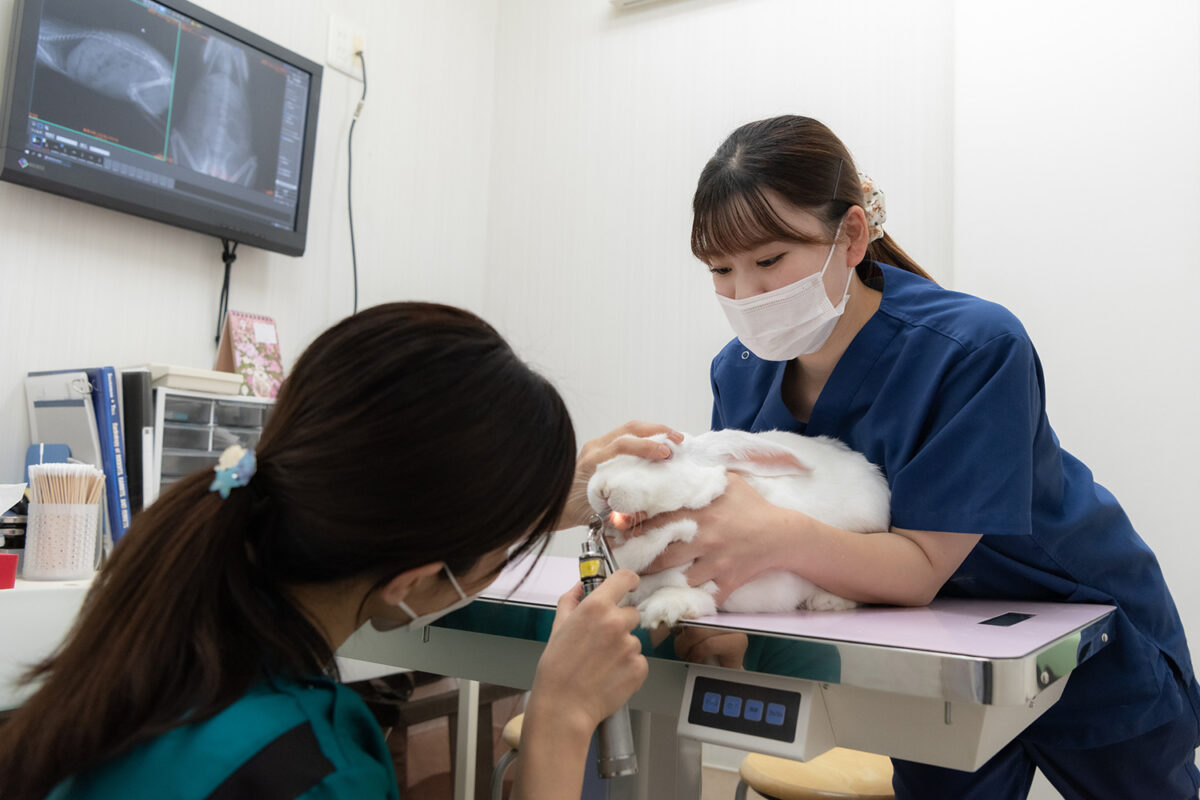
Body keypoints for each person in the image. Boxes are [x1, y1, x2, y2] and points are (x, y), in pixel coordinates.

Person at [564, 115, 1200, 799]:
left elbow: (918, 565)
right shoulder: (740, 371)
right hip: (925, 656)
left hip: (1085, 641)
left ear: (853, 236)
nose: (745, 296)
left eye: (770, 261)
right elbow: (750, 551)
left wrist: (774, 537)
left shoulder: (975, 347)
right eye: (720, 270)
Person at [0, 302, 648, 800]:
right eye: (507, 547)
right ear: (413, 582)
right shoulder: (314, 774)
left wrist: (525, 503)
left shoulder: (157, 647)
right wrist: (560, 721)